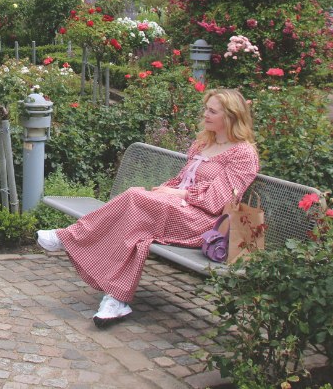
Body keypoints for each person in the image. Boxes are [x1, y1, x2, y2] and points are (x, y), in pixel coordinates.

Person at [36, 88, 260, 327]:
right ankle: (116, 299)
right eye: (206, 108)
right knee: (139, 230)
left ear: (230, 116)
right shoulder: (203, 143)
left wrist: (176, 193)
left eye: (212, 111)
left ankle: (69, 237)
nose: (205, 114)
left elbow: (218, 200)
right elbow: (180, 180)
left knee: (135, 198)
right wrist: (166, 190)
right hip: (176, 208)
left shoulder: (243, 154)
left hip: (201, 221)